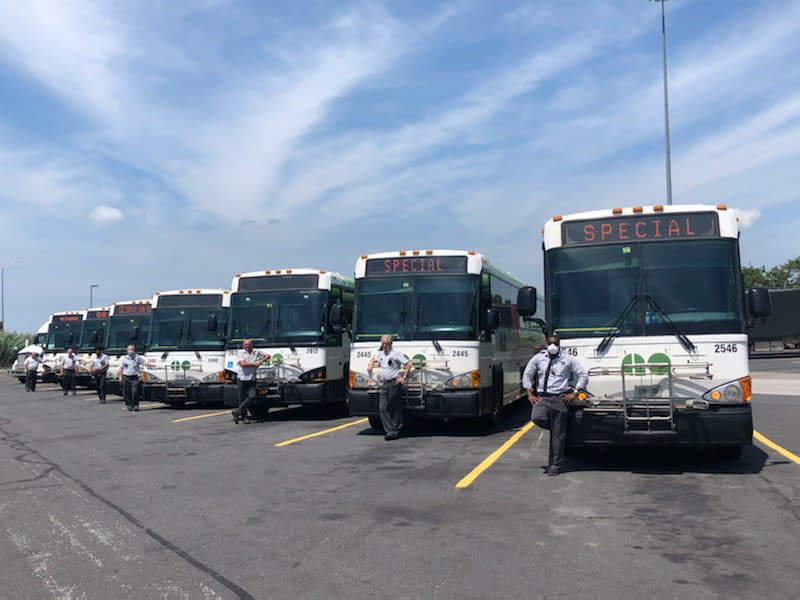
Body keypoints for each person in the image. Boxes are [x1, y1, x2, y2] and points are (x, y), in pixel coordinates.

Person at [522, 335, 588, 476]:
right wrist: (529, 394)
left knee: (558, 436)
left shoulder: (567, 359)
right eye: (550, 343)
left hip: (560, 399)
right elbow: (528, 374)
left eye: (555, 344)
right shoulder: (539, 358)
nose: (553, 346)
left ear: (559, 345)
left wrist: (575, 393)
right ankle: (556, 426)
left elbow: (583, 374)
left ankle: (555, 465)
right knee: (536, 417)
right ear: (546, 343)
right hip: (543, 397)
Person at [366, 334, 412, 441]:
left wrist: (403, 377)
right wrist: (370, 366)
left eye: (386, 343)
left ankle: (395, 428)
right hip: (384, 383)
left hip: (394, 383)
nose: (384, 345)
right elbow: (373, 358)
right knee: (382, 407)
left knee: (393, 406)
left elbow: (408, 363)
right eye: (383, 343)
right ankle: (390, 430)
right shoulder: (380, 353)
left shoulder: (396, 354)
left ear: (391, 343)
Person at [232, 339, 270, 424]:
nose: (248, 346)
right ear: (243, 346)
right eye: (246, 345)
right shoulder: (240, 353)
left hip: (251, 378)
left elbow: (268, 356)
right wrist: (255, 364)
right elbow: (243, 364)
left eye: (249, 344)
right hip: (241, 378)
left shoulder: (256, 352)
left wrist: (261, 361)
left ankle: (237, 412)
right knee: (242, 399)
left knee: (252, 396)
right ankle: (244, 417)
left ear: (252, 345)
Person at [119, 344, 146, 411]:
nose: (131, 351)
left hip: (134, 377)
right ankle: (129, 405)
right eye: (129, 350)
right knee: (126, 392)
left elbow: (144, 363)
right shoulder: (124, 358)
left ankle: (135, 405)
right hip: (126, 377)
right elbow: (121, 368)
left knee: (135, 391)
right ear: (127, 350)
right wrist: (120, 377)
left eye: (132, 350)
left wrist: (151, 365)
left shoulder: (137, 357)